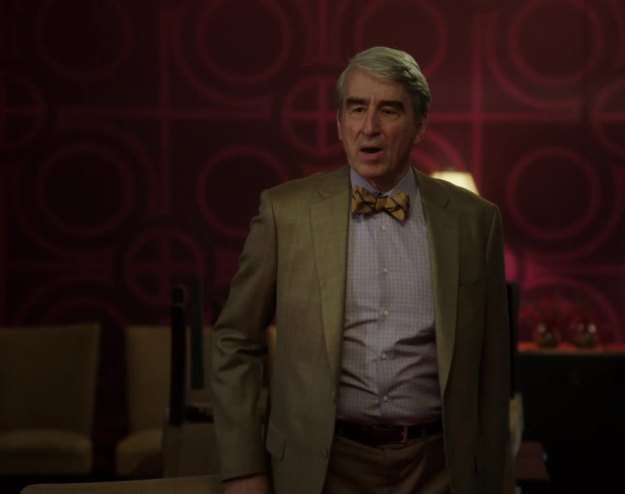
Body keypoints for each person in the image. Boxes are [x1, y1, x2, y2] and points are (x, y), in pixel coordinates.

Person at [211, 45, 511, 494]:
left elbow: (494, 367)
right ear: (339, 123)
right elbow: (235, 339)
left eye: (389, 110)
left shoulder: (475, 222)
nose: (369, 127)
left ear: (420, 124)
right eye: (356, 108)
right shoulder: (285, 213)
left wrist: (495, 479)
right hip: (322, 468)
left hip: (439, 468)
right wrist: (242, 468)